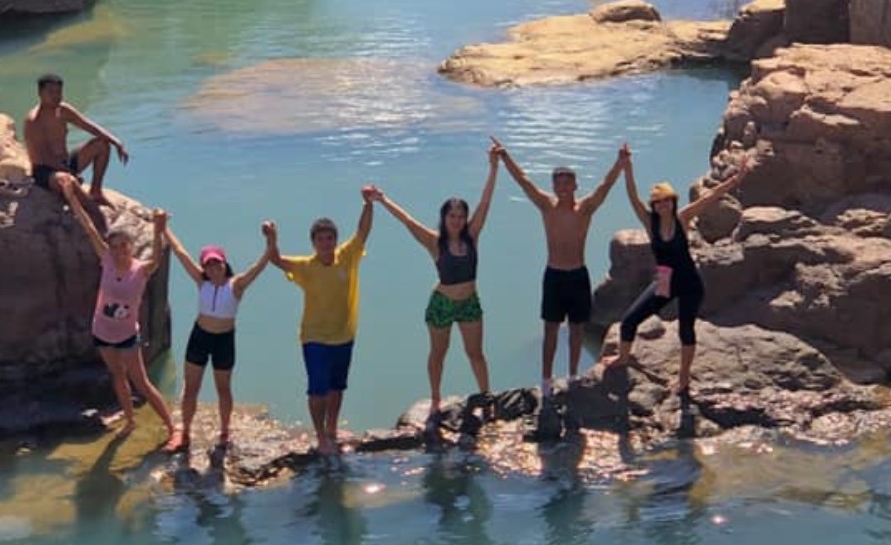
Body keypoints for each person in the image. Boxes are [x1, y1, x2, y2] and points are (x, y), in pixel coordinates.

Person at [605, 145, 753, 396]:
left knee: (686, 329)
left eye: (666, 200)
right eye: (658, 202)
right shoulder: (649, 221)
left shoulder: (682, 219)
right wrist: (626, 167)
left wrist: (736, 180)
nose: (662, 205)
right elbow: (632, 196)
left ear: (673, 202)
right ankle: (623, 357)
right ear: (654, 205)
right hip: (664, 280)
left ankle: (684, 378)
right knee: (630, 320)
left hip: (688, 281)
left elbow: (710, 197)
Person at [370, 148, 501, 417]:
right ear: (444, 218)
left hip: (469, 302)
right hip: (441, 303)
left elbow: (485, 204)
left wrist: (493, 168)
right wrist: (382, 200)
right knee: (438, 354)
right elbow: (407, 221)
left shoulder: (472, 237)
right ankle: (435, 398)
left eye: (460, 216)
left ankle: (487, 397)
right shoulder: (434, 242)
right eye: (452, 216)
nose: (457, 220)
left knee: (476, 352)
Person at [495, 137, 624, 398]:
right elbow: (523, 181)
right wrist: (505, 156)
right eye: (558, 182)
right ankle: (546, 378)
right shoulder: (546, 205)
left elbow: (605, 186)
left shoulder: (585, 208)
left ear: (576, 185)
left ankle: (574, 374)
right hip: (554, 276)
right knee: (550, 330)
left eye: (568, 182)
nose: (563, 187)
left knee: (577, 330)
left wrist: (619, 163)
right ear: (553, 186)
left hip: (578, 274)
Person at [264, 188, 374, 456]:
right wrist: (272, 238)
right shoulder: (306, 266)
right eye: (321, 239)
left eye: (330, 238)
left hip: (344, 336)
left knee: (337, 389)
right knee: (318, 391)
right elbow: (276, 260)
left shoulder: (347, 256)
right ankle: (321, 436)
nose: (326, 243)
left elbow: (363, 231)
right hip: (314, 338)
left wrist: (368, 204)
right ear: (313, 242)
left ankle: (333, 429)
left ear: (335, 241)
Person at [63, 192, 177, 448]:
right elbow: (89, 229)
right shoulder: (106, 261)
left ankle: (172, 426)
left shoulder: (140, 270)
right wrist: (72, 198)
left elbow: (157, 258)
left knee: (141, 382)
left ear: (131, 248)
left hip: (127, 336)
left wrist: (160, 229)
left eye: (123, 247)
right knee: (117, 375)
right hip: (102, 331)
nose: (117, 252)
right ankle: (129, 420)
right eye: (114, 247)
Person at [165, 228, 269, 451]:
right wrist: (163, 227)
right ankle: (185, 431)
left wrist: (271, 240)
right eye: (209, 265)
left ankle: (224, 431)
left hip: (224, 340)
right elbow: (180, 252)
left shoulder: (236, 285)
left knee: (223, 388)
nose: (213, 269)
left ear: (224, 264)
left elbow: (259, 266)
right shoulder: (202, 283)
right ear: (204, 268)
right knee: (191, 388)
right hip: (200, 337)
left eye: (217, 264)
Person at [24, 73, 129, 207]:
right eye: (50, 92)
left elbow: (89, 126)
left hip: (65, 162)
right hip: (46, 171)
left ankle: (96, 192)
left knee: (102, 144)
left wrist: (117, 142)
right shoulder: (34, 120)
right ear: (40, 93)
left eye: (58, 92)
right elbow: (42, 156)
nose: (55, 96)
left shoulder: (63, 110)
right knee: (69, 183)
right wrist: (67, 173)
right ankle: (82, 203)